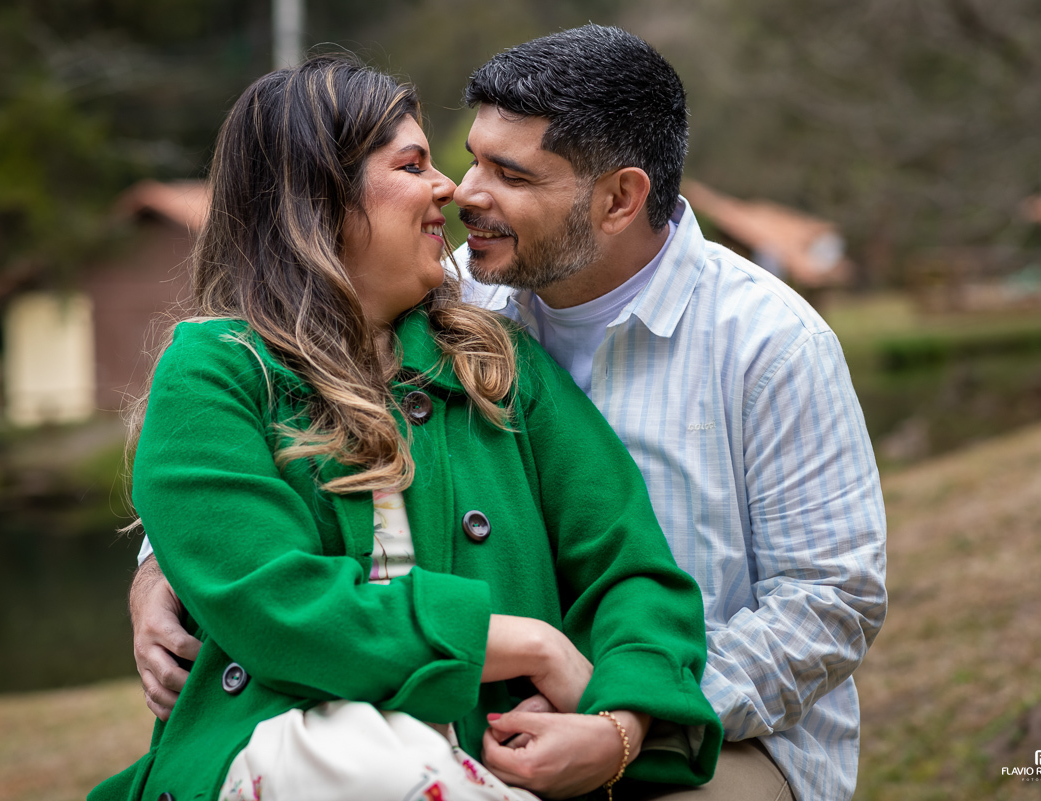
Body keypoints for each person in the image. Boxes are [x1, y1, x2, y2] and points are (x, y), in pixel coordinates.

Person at [131, 25, 888, 800]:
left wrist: (625, 715)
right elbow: (241, 534)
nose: (459, 192)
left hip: (693, 729)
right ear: (318, 197)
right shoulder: (458, 295)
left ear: (620, 198)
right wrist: (163, 563)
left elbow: (801, 593)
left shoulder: (753, 344)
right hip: (351, 747)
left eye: (510, 173)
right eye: (439, 161)